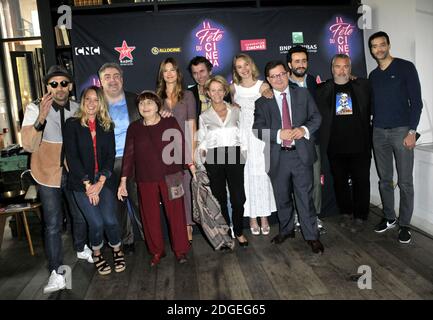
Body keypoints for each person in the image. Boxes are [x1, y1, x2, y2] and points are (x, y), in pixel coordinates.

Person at [21, 65, 93, 294]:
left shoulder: (77, 108)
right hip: (46, 171)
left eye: (63, 83)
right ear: (47, 87)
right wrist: (41, 117)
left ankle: (81, 247)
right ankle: (55, 271)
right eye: (54, 84)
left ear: (70, 86)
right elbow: (28, 145)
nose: (59, 88)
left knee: (80, 215)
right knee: (52, 223)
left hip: (73, 171)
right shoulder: (34, 108)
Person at [253, 61, 323, 253]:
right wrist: (277, 135)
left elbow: (316, 117)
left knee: (304, 197)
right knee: (282, 197)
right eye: (274, 76)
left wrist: (304, 129)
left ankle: (311, 236)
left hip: (301, 156)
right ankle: (286, 230)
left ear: (287, 73)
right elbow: (257, 129)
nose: (279, 79)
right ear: (268, 79)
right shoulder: (262, 102)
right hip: (277, 157)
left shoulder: (302, 93)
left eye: (282, 74)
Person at [118, 91, 192, 266]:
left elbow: (181, 144)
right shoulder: (134, 128)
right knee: (149, 217)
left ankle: (181, 250)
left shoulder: (169, 121)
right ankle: (157, 251)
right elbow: (128, 155)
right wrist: (123, 181)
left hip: (171, 176)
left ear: (158, 105)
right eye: (142, 104)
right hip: (145, 178)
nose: (145, 107)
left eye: (150, 103)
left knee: (176, 215)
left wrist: (191, 166)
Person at [64, 86, 126, 275]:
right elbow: (72, 158)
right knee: (97, 223)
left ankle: (117, 250)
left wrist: (99, 183)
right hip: (80, 183)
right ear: (83, 101)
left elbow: (110, 156)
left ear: (101, 103)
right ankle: (97, 253)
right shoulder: (72, 124)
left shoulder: (107, 124)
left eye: (96, 100)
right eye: (88, 99)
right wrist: (88, 185)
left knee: (111, 220)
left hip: (104, 181)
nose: (91, 103)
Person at [368, 31, 423, 243]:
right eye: (374, 46)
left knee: (406, 182)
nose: (378, 49)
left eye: (382, 45)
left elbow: (416, 102)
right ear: (372, 50)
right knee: (384, 180)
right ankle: (389, 217)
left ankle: (405, 224)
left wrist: (412, 131)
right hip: (379, 132)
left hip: (402, 131)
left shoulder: (405, 67)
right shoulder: (373, 76)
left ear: (388, 45)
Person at [316, 54, 372, 233]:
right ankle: (346, 213)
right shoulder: (323, 89)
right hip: (335, 147)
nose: (342, 70)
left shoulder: (362, 85)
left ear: (350, 68)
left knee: (361, 182)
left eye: (345, 66)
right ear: (332, 68)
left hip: (360, 145)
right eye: (338, 66)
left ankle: (361, 216)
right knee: (339, 183)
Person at [197, 75, 249, 247]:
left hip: (234, 155)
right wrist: (204, 161)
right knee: (219, 198)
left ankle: (239, 231)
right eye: (213, 90)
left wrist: (243, 156)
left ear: (225, 91)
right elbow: (202, 141)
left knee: (238, 198)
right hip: (214, 157)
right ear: (208, 93)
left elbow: (243, 135)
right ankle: (226, 232)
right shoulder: (204, 116)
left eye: (220, 89)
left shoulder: (235, 110)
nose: (217, 93)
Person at [98, 62, 142, 254]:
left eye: (116, 76)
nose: (112, 80)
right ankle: (127, 240)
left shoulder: (136, 100)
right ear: (100, 81)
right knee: (118, 205)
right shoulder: (95, 104)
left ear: (122, 79)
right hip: (107, 162)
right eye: (107, 77)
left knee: (140, 201)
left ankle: (150, 238)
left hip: (134, 159)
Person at [230, 53, 275, 236]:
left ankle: (264, 216)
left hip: (259, 136)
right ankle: (251, 218)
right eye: (239, 66)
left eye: (246, 64)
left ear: (251, 65)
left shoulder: (263, 85)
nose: (244, 69)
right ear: (236, 70)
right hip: (241, 137)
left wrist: (266, 93)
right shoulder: (233, 88)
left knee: (262, 174)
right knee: (246, 177)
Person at [157, 57, 196, 243]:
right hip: (165, 153)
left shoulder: (187, 96)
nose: (169, 73)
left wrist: (191, 154)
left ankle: (188, 226)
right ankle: (177, 228)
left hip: (185, 150)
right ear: (162, 74)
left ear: (178, 73)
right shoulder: (156, 99)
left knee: (187, 191)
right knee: (172, 193)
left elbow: (191, 126)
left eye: (172, 69)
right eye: (166, 70)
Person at [286, 45, 324, 232]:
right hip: (291, 144)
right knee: (295, 183)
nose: (301, 65)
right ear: (289, 64)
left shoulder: (314, 82)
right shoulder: (282, 84)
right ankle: (298, 215)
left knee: (315, 182)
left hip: (312, 140)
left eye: (304, 61)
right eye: (297, 61)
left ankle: (314, 216)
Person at [188, 56, 231, 126]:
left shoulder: (224, 90)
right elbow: (187, 122)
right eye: (195, 73)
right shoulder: (189, 94)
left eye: (202, 71)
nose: (199, 76)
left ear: (210, 71)